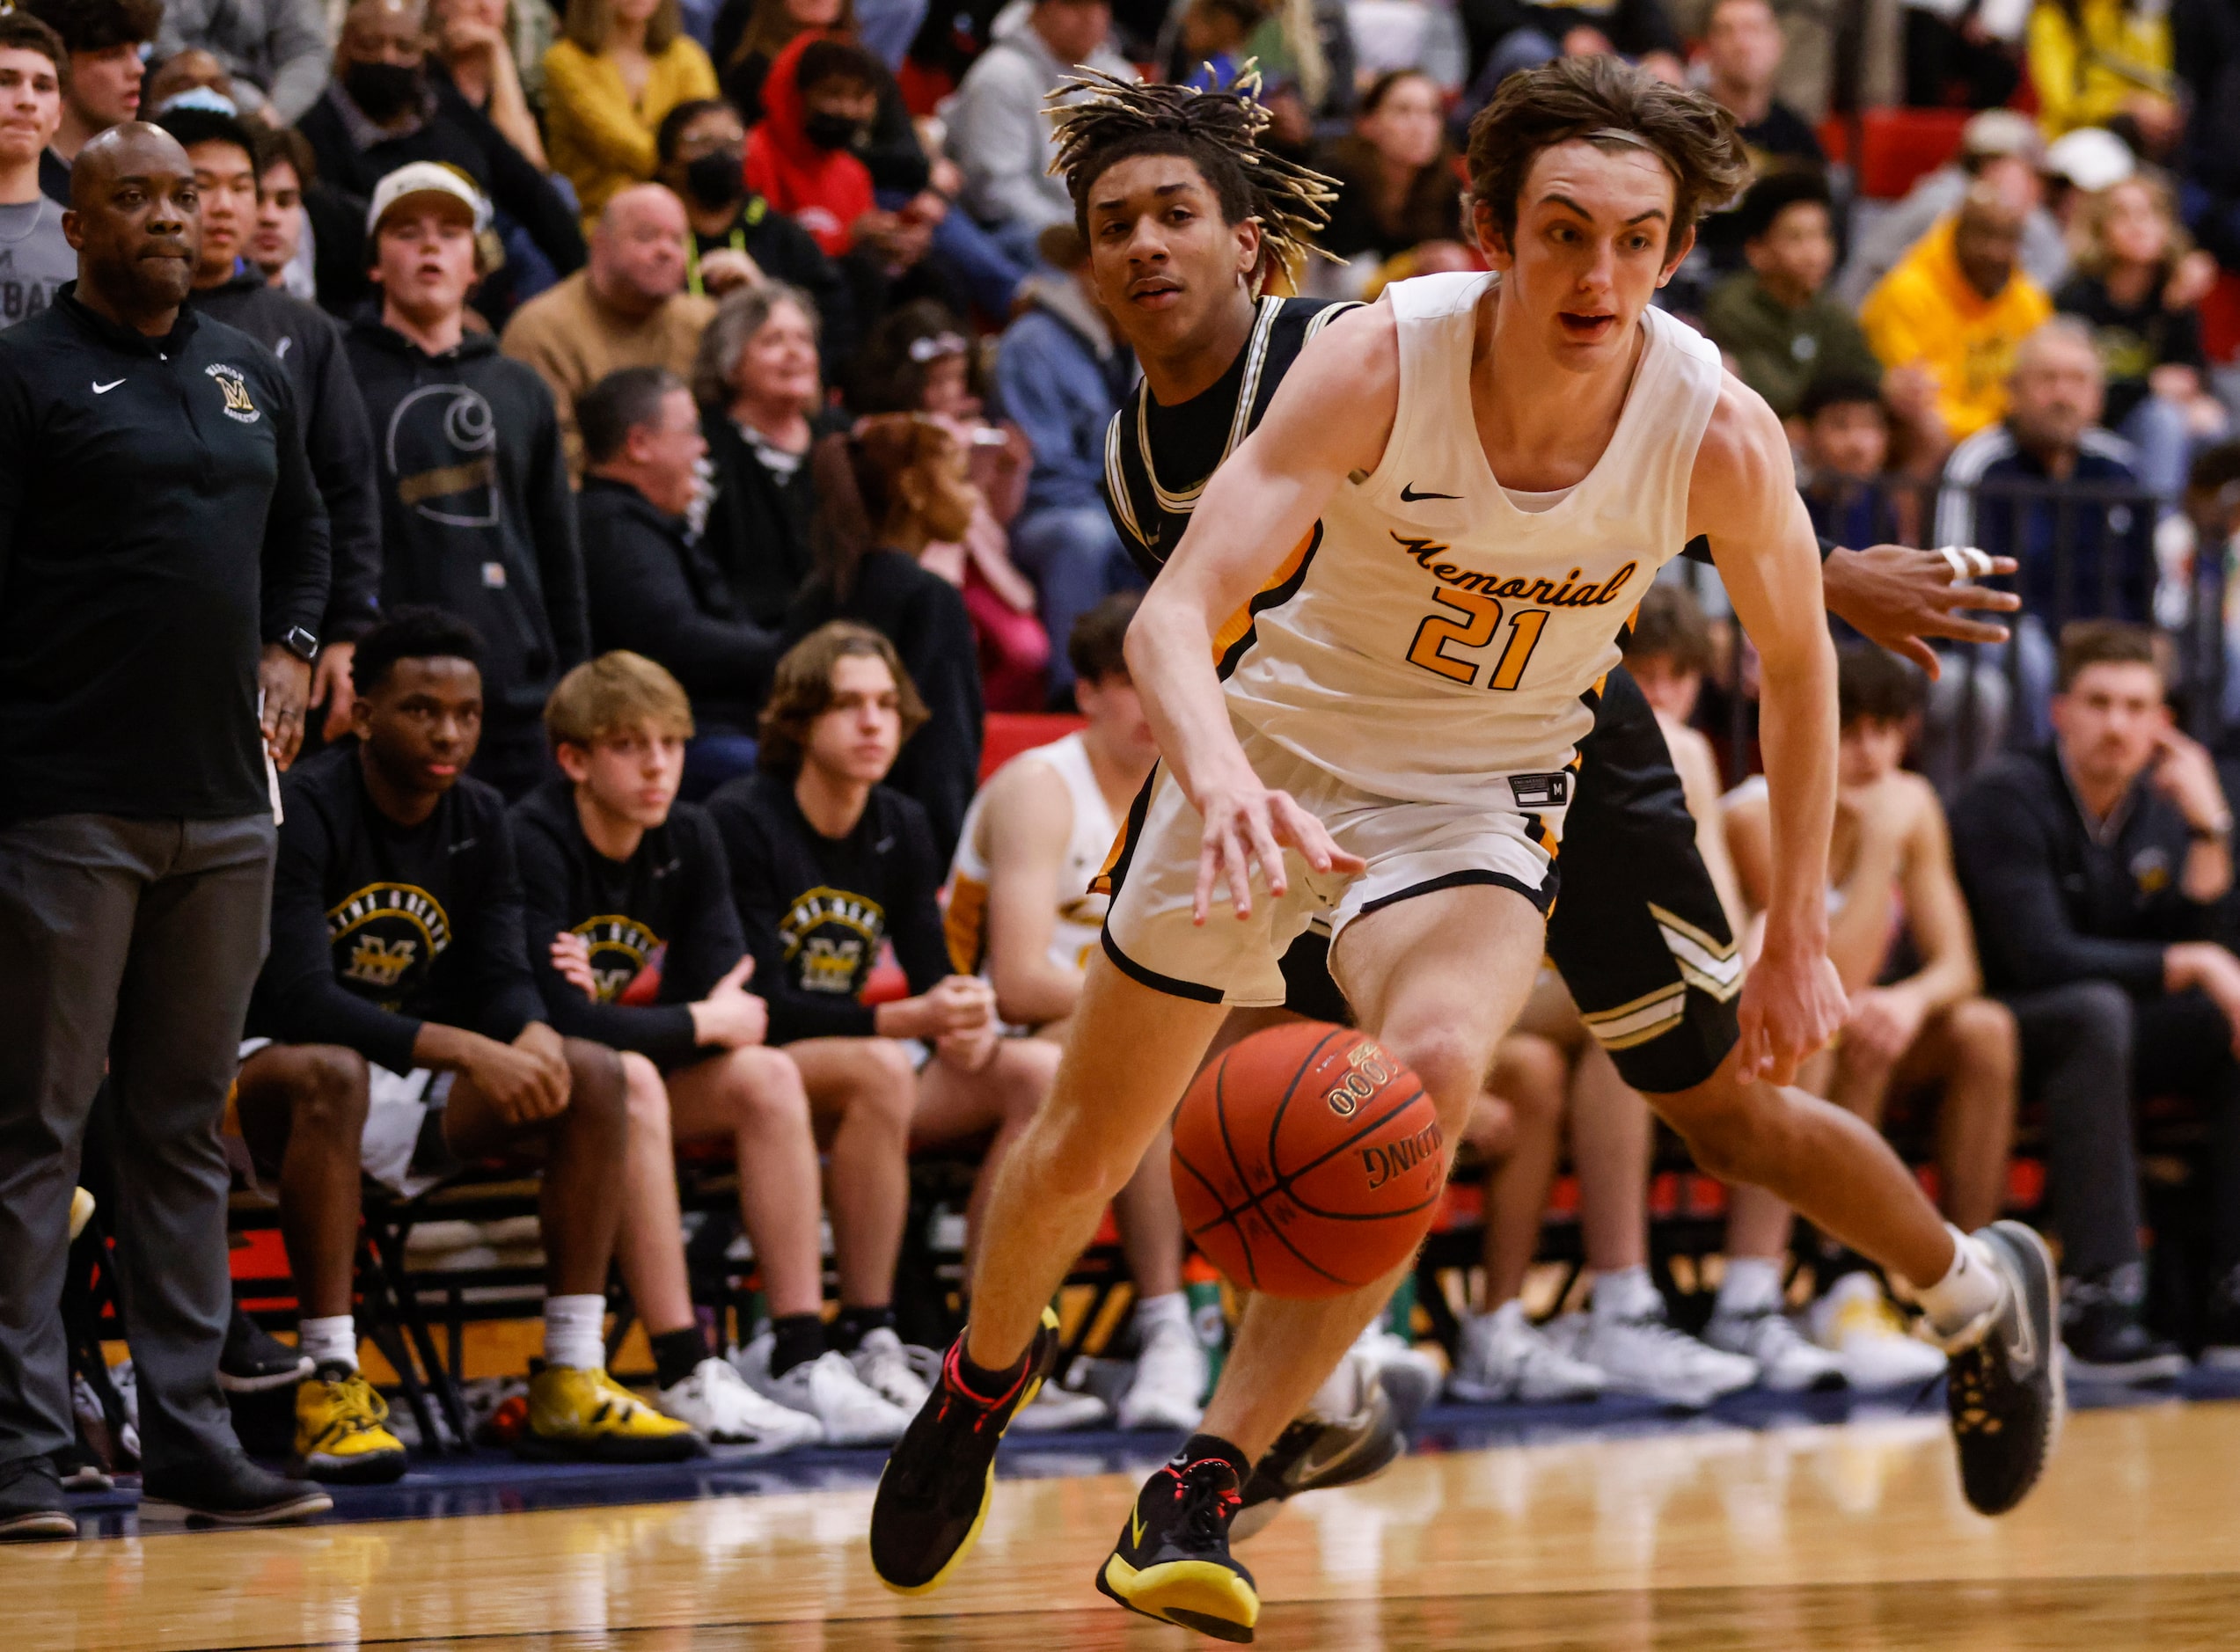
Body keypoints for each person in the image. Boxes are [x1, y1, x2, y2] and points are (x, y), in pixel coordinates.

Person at [867, 59, 2060, 1635]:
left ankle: (1209, 1477)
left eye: (1637, 240)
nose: (1601, 273)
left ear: (1251, 243)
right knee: (1093, 1136)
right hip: (1275, 752)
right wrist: (1216, 777)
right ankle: (983, 1377)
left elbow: (1782, 643)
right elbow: (1171, 619)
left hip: (1500, 775)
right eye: (1565, 233)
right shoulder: (1348, 371)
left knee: (1421, 1088)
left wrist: (1793, 930)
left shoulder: (1696, 411)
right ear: (1494, 233)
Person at [0, 121, 332, 1539]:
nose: (166, 217)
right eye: (131, 195)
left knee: (184, 1132)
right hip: (65, 804)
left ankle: (190, 1437)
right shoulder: (21, 377)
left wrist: (299, 642)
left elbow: (308, 535)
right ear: (75, 227)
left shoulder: (249, 367)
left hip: (224, 810)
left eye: (184, 196)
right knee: (32, 1136)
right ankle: (18, 1455)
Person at [237, 610, 704, 1478]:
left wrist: (530, 1038)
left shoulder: (482, 814)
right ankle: (328, 1377)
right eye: (421, 710)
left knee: (592, 1072)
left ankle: (571, 1370)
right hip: (271, 1081)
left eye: (467, 713)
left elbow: (499, 970)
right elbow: (298, 998)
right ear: (365, 714)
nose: (449, 732)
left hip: (408, 1084)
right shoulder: (302, 805)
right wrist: (469, 1052)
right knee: (332, 1073)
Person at [515, 651, 901, 1446]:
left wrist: (665, 1018)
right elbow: (558, 1022)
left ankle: (798, 1350)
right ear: (574, 759)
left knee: (764, 1075)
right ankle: (686, 1366)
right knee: (631, 1079)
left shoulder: (688, 833)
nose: (658, 765)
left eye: (671, 742)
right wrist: (689, 1020)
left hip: (622, 1076)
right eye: (629, 745)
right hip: (526, 1089)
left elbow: (738, 1007)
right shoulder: (532, 838)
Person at [705, 625, 1061, 1420]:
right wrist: (906, 1017)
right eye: (846, 706)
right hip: (757, 1069)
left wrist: (962, 1016)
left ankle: (987, 1347)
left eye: (885, 706)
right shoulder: (740, 819)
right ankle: (856, 1333)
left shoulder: (900, 820)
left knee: (1038, 1073)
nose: (873, 724)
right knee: (881, 1066)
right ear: (796, 721)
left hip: (865, 1077)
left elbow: (934, 971)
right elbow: (760, 1005)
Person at [944, 594, 1210, 1429]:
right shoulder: (1040, 787)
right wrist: (1163, 1013)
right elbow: (1018, 981)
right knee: (1134, 1064)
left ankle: (1265, 1335)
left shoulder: (1198, 792)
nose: (1148, 701)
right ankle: (1024, 1341)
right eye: (1128, 682)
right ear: (1087, 693)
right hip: (972, 1043)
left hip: (1085, 1044)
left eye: (1164, 682)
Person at [1723, 644, 2025, 1369]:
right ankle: (1828, 1282)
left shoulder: (1910, 801)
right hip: (1757, 1038)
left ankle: (1968, 1281)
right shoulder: (1751, 813)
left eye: (1887, 731)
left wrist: (1912, 1001)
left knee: (1985, 1031)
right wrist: (1882, 840)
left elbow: (1960, 966)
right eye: (1851, 731)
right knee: (1822, 1025)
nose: (1872, 753)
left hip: (1858, 1026)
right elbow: (1828, 966)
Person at [1951, 620, 2230, 1377]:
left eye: (2137, 708)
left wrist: (2211, 830)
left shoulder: (2170, 810)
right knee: (2093, 1011)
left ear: (2162, 725)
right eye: (2100, 703)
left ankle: (2229, 1291)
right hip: (2002, 1024)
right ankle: (2100, 1299)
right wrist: (2191, 961)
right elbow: (2041, 958)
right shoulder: (2006, 796)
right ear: (2060, 711)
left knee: (2228, 1024)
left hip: (2107, 1040)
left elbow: (2215, 953)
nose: (2118, 725)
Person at [347, 163, 589, 798]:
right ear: (374, 263)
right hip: (387, 693)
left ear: (476, 268)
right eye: (407, 231)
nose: (430, 245)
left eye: (451, 232)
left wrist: (574, 678)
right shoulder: (337, 375)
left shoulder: (520, 386)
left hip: (514, 693)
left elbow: (557, 549)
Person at [161, 106, 386, 748]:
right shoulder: (120, 322)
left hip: (274, 638)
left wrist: (341, 631)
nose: (228, 206)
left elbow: (344, 491)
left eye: (243, 187)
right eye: (203, 186)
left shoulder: (303, 328)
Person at [1934, 318, 2157, 743]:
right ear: (2013, 390)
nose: (2063, 395)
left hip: (2106, 639)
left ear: (2098, 396)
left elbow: (2151, 575)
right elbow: (1953, 584)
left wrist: (2148, 633)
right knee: (2032, 657)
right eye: (2048, 379)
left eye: (2077, 381)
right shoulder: (1980, 463)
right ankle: (2043, 777)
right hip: (2001, 635)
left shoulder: (2122, 468)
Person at [299, 0, 587, 316]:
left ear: (423, 56)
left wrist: (584, 281)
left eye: (403, 46)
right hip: (377, 308)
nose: (388, 58)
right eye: (370, 45)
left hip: (481, 283)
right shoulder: (315, 130)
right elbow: (346, 248)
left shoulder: (447, 109)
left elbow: (528, 187)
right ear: (342, 51)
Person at [576, 365, 780, 796]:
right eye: (690, 433)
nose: (703, 448)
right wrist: (786, 653)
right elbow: (677, 641)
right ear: (639, 445)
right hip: (669, 736)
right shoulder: (612, 530)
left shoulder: (649, 523)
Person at [788, 413, 984, 859]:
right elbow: (944, 756)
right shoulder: (931, 598)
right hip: (907, 853)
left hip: (814, 839)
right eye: (959, 478)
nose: (973, 496)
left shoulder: (822, 587)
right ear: (913, 488)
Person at [847, 301, 1047, 712]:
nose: (949, 392)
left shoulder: (978, 431)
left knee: (1029, 651)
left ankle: (980, 720)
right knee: (949, 643)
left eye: (956, 378)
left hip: (982, 569)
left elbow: (996, 514)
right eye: (934, 381)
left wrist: (1009, 469)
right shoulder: (883, 434)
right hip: (922, 562)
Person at [992, 224, 1140, 706]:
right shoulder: (1031, 343)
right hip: (1042, 513)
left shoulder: (1139, 338)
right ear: (1087, 268)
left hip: (1114, 506)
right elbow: (1045, 473)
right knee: (1083, 536)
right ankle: (1071, 693)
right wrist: (1129, 515)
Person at [500, 181, 717, 473]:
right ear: (599, 242)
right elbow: (550, 469)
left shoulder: (704, 320)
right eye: (646, 237)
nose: (666, 251)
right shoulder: (540, 330)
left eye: (677, 240)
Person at [2054, 172, 2229, 501]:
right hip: (2092, 425)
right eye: (2123, 215)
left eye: (2149, 214)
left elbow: (2188, 372)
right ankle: (2158, 533)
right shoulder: (2077, 297)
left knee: (2215, 422)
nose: (2139, 225)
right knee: (2161, 418)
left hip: (2148, 422)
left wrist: (2175, 312)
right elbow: (2075, 390)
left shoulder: (2172, 294)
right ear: (2100, 229)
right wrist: (2149, 386)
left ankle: (2213, 542)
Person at [1861, 178, 2056, 447]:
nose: (1995, 252)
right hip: (1929, 441)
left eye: (2008, 239)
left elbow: (2041, 388)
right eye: (1984, 235)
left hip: (2008, 440)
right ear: (1956, 232)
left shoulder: (2028, 300)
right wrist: (1992, 431)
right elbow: (1917, 402)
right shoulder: (1907, 292)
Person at [694, 280, 845, 628]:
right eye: (772, 341)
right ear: (730, 364)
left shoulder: (839, 438)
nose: (794, 353)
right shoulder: (705, 447)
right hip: (740, 638)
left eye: (804, 340)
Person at [943, 0, 1132, 265]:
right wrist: (1080, 233)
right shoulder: (1001, 75)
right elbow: (996, 194)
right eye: (1075, 6)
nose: (1092, 18)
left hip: (1098, 227)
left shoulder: (1118, 75)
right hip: (1019, 233)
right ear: (1036, 10)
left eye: (1101, 6)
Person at [652, 96, 847, 345]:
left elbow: (832, 319)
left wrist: (761, 295)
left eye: (732, 143)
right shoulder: (648, 237)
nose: (720, 155)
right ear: (667, 163)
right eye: (702, 143)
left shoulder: (782, 236)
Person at [1701, 171, 1883, 422]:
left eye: (1822, 235)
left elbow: (1867, 380)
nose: (1815, 253)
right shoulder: (1733, 308)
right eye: (1796, 238)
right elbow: (1775, 394)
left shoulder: (1832, 311)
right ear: (1757, 251)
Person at [542, 0, 718, 232]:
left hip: (685, 221)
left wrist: (702, 156)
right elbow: (628, 149)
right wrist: (691, 156)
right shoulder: (565, 61)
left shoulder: (687, 56)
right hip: (599, 226)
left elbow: (711, 143)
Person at [1314, 70, 1468, 277]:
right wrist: (1414, 262)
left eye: (1432, 112)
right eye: (1403, 111)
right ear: (1368, 123)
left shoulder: (1448, 185)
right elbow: (1341, 280)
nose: (1420, 126)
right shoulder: (1334, 182)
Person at [21, 0, 159, 208]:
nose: (138, 68)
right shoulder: (21, 175)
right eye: (112, 55)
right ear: (61, 63)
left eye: (137, 52)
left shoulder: (155, 166)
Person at [2027, 0, 2180, 155]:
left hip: (2138, 135)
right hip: (2073, 136)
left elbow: (2159, 80)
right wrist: (2129, 103)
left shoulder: (2140, 15)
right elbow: (2065, 102)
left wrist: (2158, 109)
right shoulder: (2053, 16)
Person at [0, 12, 71, 330]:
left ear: (59, 112)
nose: (27, 100)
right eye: (5, 81)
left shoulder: (83, 244)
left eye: (43, 86)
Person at [154, 0, 331, 125]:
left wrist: (275, 113)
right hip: (177, 82)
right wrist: (234, 95)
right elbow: (157, 33)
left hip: (265, 103)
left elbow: (308, 52)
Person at [1698, 0, 1822, 174]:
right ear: (1707, 47)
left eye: (1754, 29)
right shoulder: (1690, 125)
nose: (1742, 44)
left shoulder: (1798, 139)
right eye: (1726, 31)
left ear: (1777, 44)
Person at [430, 0, 551, 172]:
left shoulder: (514, 80)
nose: (485, 6)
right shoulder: (422, 76)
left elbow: (533, 173)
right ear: (439, 4)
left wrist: (497, 50)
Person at [1797, 376, 1905, 552]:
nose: (1857, 444)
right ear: (1806, 434)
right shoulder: (1791, 510)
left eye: (1869, 425)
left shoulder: (1883, 508)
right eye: (1840, 425)